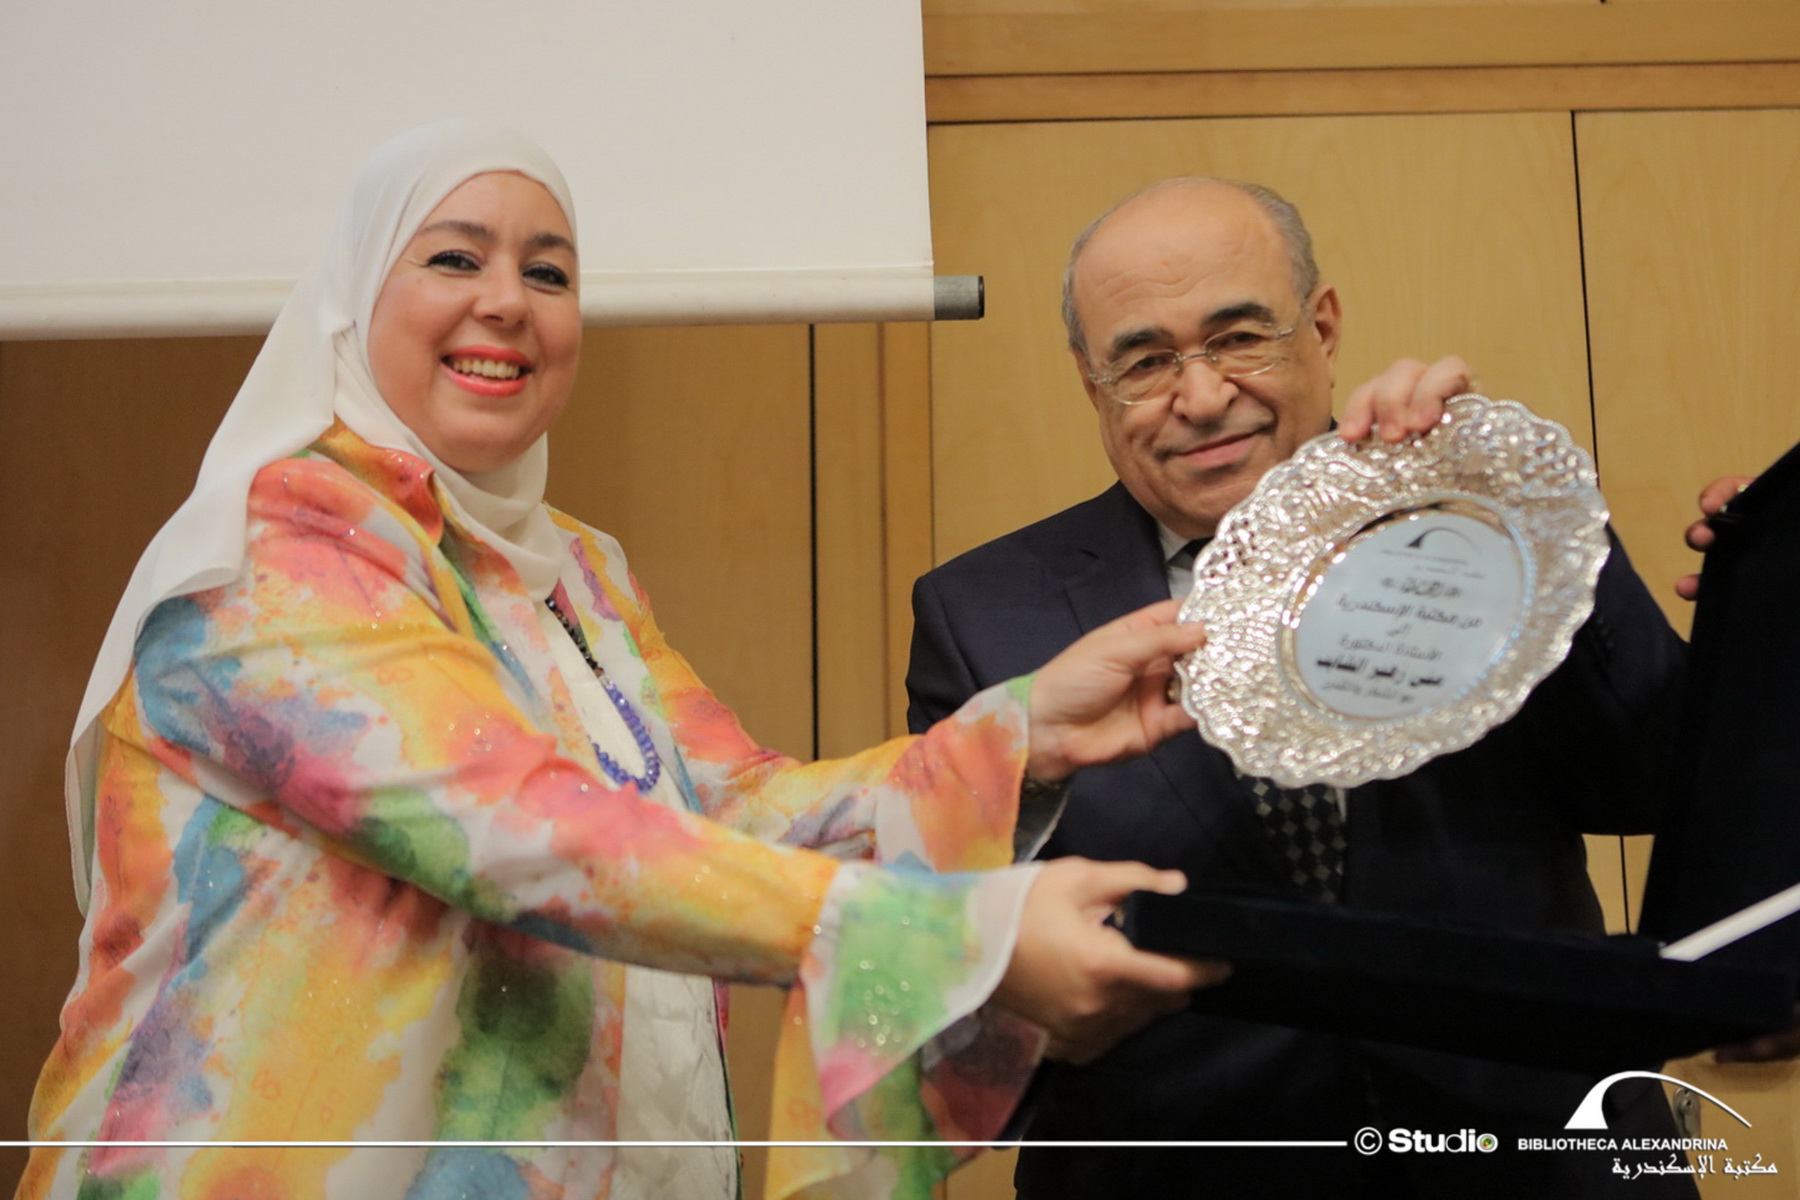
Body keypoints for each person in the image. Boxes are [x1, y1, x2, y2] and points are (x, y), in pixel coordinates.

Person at [19, 123, 1228, 1200]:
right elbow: (528, 835)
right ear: (350, 299)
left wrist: (1019, 736)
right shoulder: (279, 552)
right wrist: (964, 935)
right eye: (454, 259)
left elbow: (732, 813)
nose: (508, 302)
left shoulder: (577, 571)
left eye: (549, 272)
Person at [906, 177, 1694, 1198]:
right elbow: (941, 959)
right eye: (1145, 362)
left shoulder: (1465, 521)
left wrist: (1523, 513)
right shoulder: (983, 615)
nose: (1201, 397)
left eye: (1239, 338)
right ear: (1092, 383)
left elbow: (1657, 784)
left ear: (1321, 327)